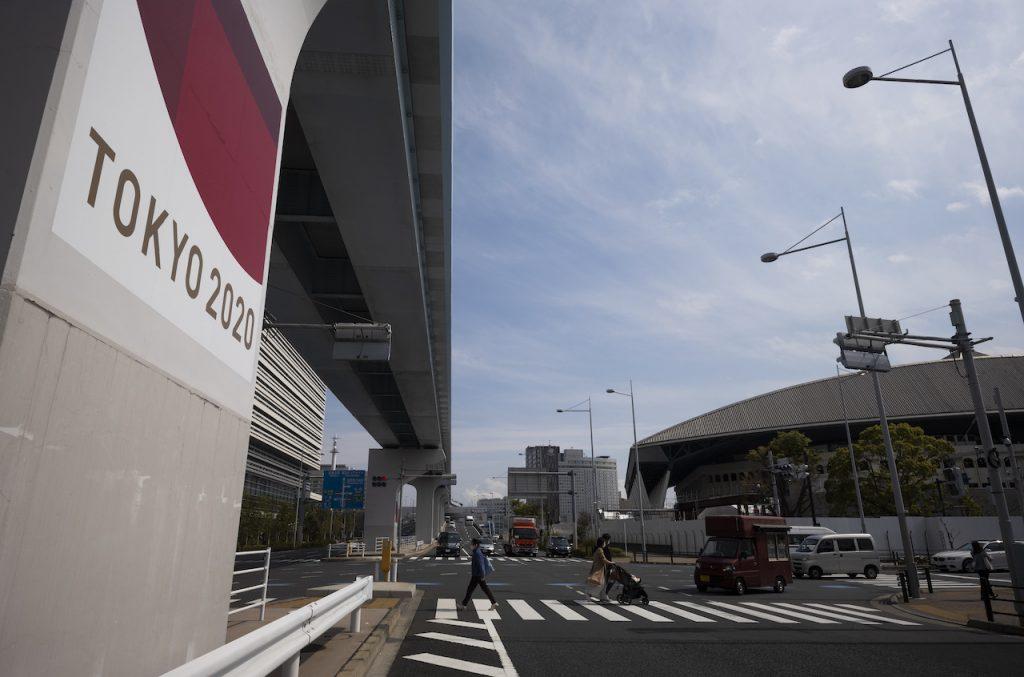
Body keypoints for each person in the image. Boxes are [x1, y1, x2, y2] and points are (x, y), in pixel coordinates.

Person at [458, 538, 498, 611]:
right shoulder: (477, 552)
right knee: (484, 589)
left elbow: (481, 565)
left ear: (475, 545)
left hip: (477, 575)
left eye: (471, 544)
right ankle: (494, 602)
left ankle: (464, 605)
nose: (470, 545)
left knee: (470, 590)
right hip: (478, 575)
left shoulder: (477, 553)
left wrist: (482, 575)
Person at [587, 536, 612, 603]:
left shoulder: (597, 549)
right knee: (600, 584)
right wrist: (611, 562)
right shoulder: (600, 550)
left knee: (601, 583)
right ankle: (589, 594)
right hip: (599, 569)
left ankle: (601, 597)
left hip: (598, 568)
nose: (605, 544)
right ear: (602, 543)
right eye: (604, 542)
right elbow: (603, 559)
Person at [601, 533, 616, 599]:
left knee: (607, 581)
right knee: (611, 580)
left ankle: (603, 594)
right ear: (606, 540)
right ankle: (604, 594)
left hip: (607, 566)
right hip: (606, 567)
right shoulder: (604, 548)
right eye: (608, 540)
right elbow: (604, 559)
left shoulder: (603, 548)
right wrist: (611, 563)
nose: (609, 541)